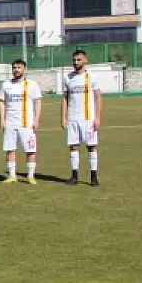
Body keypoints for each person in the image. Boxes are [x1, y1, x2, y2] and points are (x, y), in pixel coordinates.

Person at [61, 49, 102, 186]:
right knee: (73, 147)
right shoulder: (68, 78)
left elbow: (98, 97)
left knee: (91, 147)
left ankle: (94, 176)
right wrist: (64, 117)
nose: (76, 62)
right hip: (73, 118)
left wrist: (97, 118)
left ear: (85, 60)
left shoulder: (92, 77)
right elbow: (65, 99)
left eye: (79, 60)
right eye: (74, 60)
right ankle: (74, 176)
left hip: (88, 118)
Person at [0, 59, 42, 184]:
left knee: (30, 149)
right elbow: (2, 102)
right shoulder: (6, 84)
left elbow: (38, 101)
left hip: (27, 123)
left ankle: (30, 176)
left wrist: (36, 120)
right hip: (10, 122)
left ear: (24, 69)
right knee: (10, 149)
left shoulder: (32, 84)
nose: (16, 70)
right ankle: (12, 176)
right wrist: (2, 120)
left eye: (19, 67)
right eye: (14, 67)